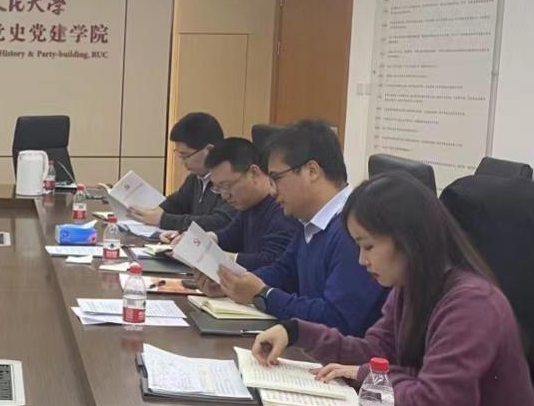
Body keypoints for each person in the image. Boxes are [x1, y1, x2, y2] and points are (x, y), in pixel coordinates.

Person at [251, 173, 534, 406]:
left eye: (368, 246)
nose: (362, 260)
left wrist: (368, 375)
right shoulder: (411, 287)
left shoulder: (472, 304)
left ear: (407, 240)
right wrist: (295, 331)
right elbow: (375, 351)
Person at [199, 119, 386, 335]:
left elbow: (336, 319)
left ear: (312, 171)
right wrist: (233, 284)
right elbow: (284, 272)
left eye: (276, 178)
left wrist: (263, 294)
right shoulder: (309, 221)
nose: (272, 191)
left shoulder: (353, 230)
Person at [161, 137, 296, 269]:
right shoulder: (250, 204)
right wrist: (198, 240)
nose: (225, 196)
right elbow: (229, 236)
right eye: (218, 188)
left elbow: (272, 261)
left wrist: (213, 256)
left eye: (227, 186)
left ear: (253, 173)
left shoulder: (283, 207)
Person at [128, 112, 235, 232]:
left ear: (209, 150)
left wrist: (163, 220)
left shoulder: (230, 182)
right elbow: (176, 203)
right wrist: (152, 212)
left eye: (186, 156)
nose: (183, 162)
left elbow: (218, 222)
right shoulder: (195, 178)